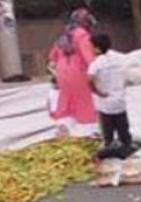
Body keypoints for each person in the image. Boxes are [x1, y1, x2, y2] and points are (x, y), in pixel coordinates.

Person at [48, 7, 98, 137]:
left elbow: (52, 56)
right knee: (83, 102)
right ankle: (87, 134)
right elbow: (89, 58)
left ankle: (63, 129)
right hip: (78, 72)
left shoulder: (64, 35)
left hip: (62, 73)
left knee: (66, 101)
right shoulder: (82, 35)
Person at [88, 34, 134, 160]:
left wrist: (97, 92)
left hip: (105, 104)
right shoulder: (118, 58)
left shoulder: (96, 63)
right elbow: (128, 73)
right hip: (119, 101)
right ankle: (126, 149)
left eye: (91, 47)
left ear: (97, 49)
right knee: (123, 130)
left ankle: (110, 153)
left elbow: (89, 80)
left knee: (108, 132)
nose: (90, 50)